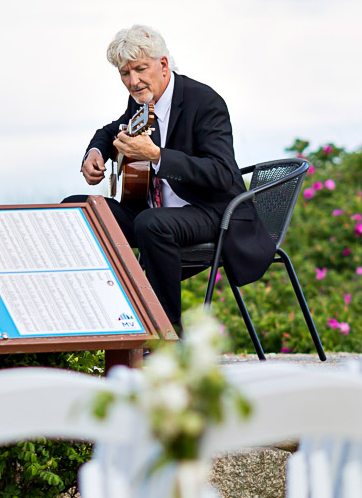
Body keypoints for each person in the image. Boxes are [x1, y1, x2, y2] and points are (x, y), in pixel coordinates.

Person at [62, 25, 274, 335]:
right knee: (77, 209)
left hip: (210, 212)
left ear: (163, 65)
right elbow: (112, 130)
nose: (133, 81)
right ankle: (97, 318)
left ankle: (166, 335)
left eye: (140, 69)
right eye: (125, 73)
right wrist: (95, 153)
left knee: (152, 223)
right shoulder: (140, 102)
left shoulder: (205, 102)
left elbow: (221, 173)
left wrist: (157, 156)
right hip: (151, 211)